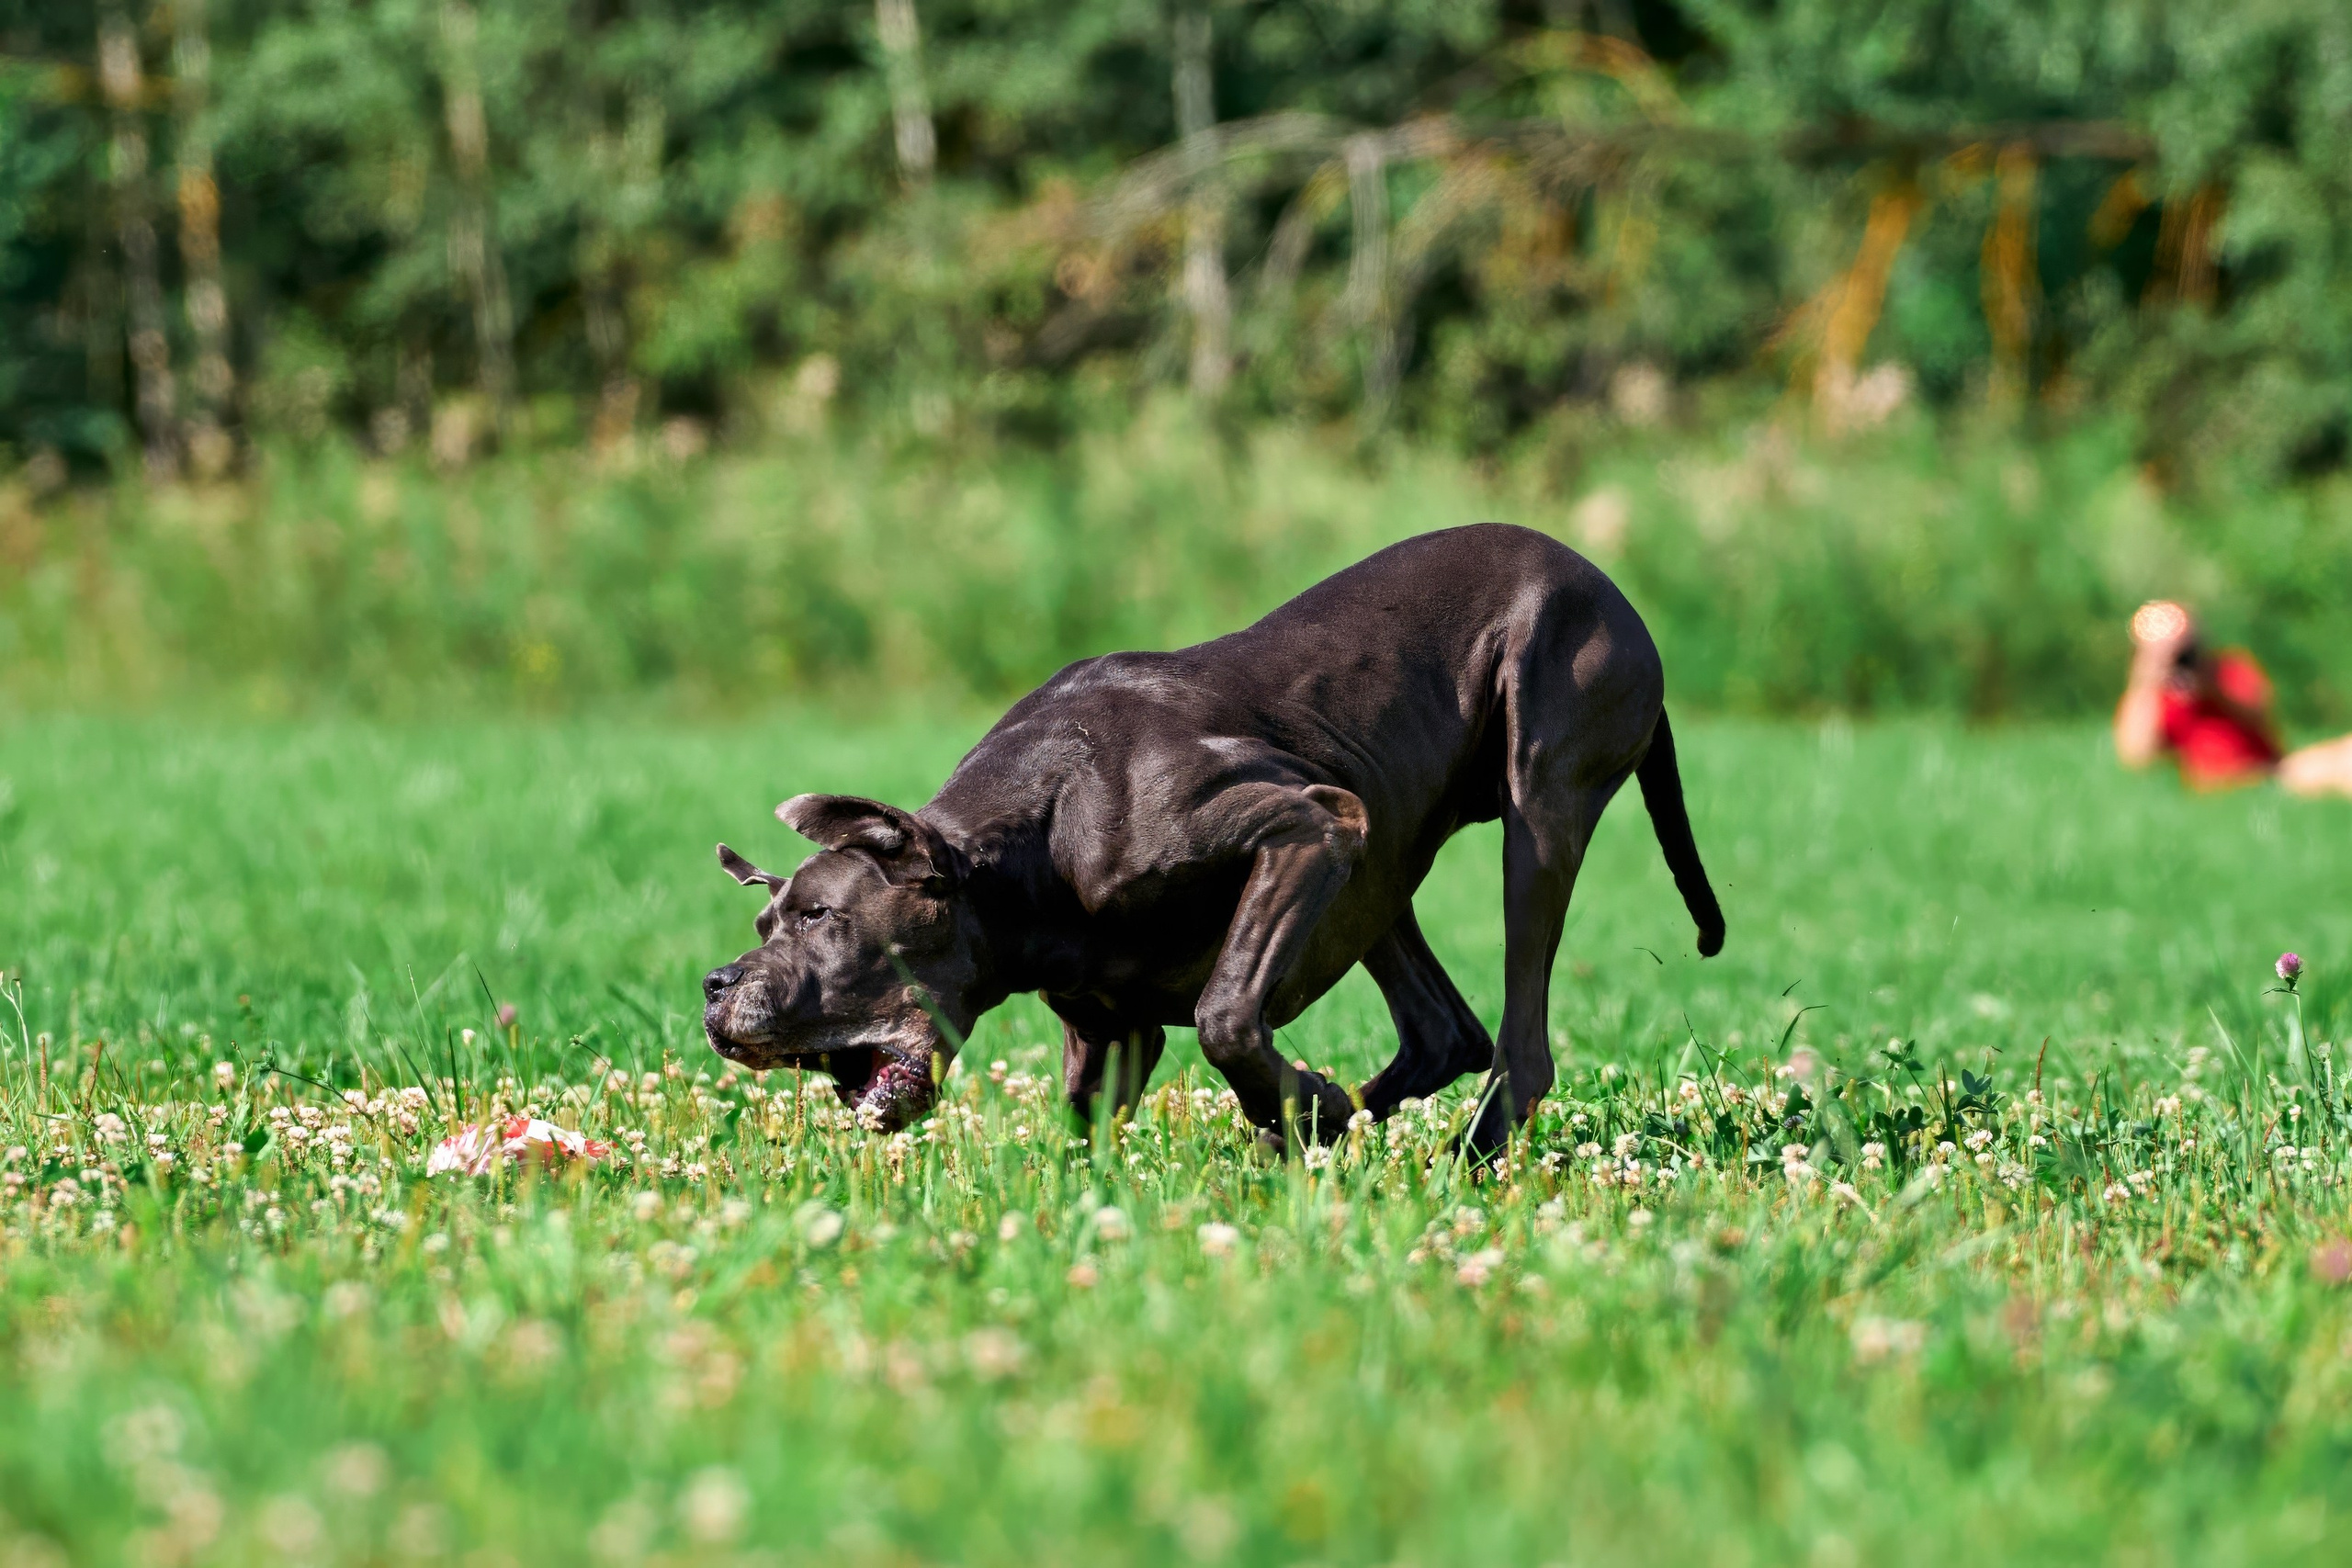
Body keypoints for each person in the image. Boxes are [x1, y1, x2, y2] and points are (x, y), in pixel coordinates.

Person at [2114, 600, 2352, 796]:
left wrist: (2209, 684)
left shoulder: (2225, 671)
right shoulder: (2152, 701)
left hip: (2267, 771)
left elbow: (2258, 709)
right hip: (2218, 786)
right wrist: (2149, 675)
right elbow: (2136, 757)